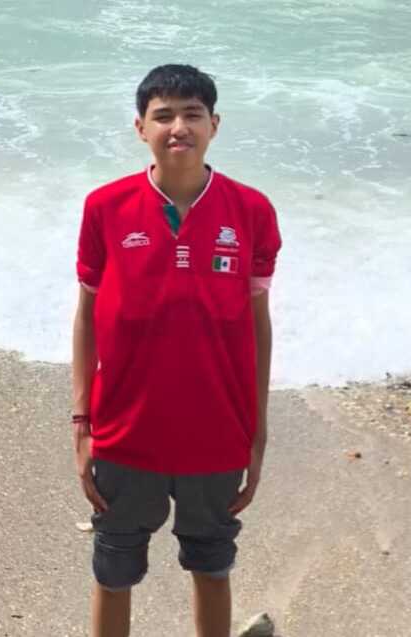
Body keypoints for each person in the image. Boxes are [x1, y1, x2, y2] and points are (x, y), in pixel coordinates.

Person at [72, 64, 282, 637]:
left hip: (217, 430)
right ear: (141, 127)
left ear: (215, 124)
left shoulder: (251, 210)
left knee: (211, 563)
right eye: (163, 115)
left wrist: (258, 430)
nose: (178, 127)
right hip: (124, 430)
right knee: (114, 568)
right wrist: (82, 423)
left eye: (192, 114)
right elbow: (87, 316)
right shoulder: (105, 207)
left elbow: (258, 327)